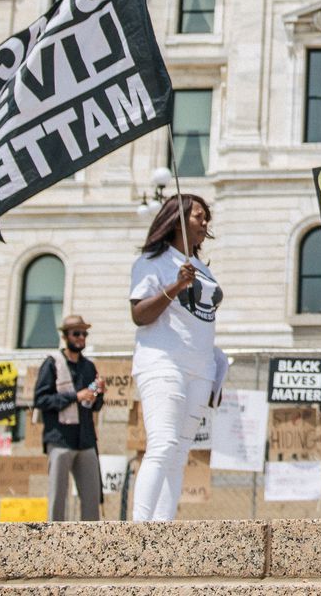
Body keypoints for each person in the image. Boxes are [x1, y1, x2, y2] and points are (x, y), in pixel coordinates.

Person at [127, 193, 226, 522]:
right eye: (199, 216)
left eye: (206, 217)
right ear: (178, 219)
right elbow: (140, 314)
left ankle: (163, 528)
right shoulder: (152, 262)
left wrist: (217, 370)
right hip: (162, 361)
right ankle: (139, 530)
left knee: (181, 451)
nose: (205, 223)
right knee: (164, 443)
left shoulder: (200, 267)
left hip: (200, 368)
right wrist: (176, 285)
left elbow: (202, 321)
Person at [34, 313, 105, 521]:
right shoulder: (52, 363)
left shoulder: (89, 366)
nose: (81, 337)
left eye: (84, 333)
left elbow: (94, 406)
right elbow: (41, 399)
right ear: (65, 336)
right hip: (60, 438)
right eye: (76, 333)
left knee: (91, 497)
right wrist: (75, 396)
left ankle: (92, 546)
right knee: (58, 497)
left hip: (86, 439)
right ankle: (55, 542)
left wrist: (98, 394)